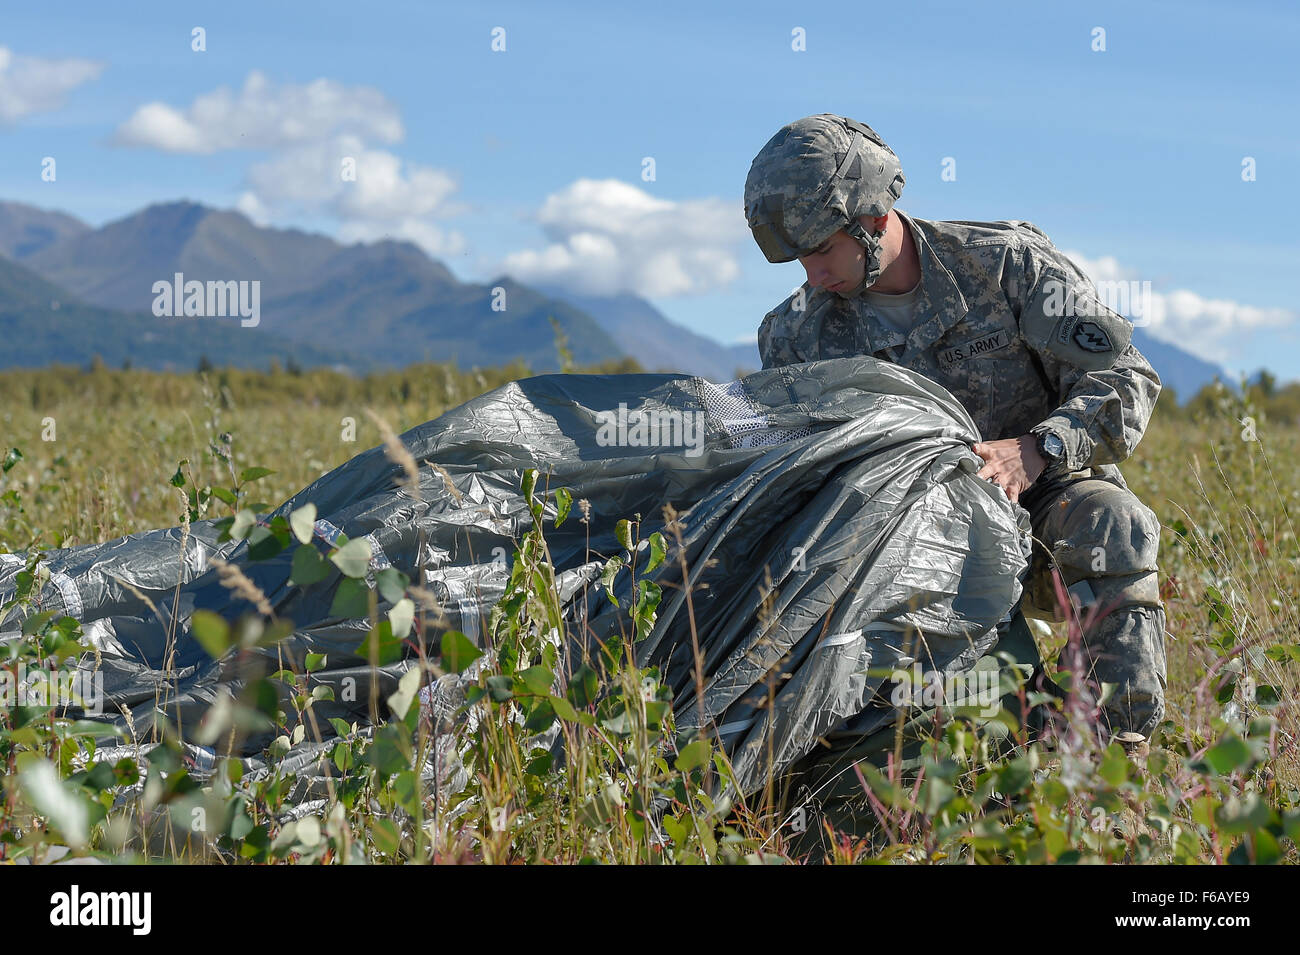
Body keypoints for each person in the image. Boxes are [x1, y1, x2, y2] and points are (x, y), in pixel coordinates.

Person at [744, 113, 1166, 752]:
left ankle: (1116, 759)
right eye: (800, 258)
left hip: (1046, 495)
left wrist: (1039, 448)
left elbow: (1123, 376)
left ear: (875, 219)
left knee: (1114, 523)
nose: (813, 274)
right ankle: (996, 761)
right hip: (908, 537)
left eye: (824, 249)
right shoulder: (794, 334)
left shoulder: (1004, 264)